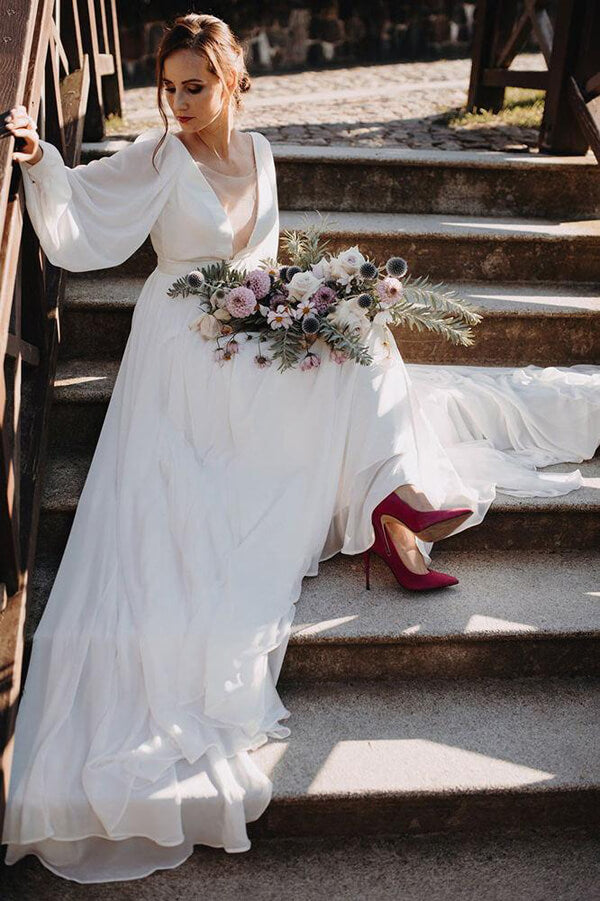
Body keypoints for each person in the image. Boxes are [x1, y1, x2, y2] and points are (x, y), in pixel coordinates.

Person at [2, 11, 599, 885]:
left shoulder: (265, 153)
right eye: (166, 88)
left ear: (232, 80)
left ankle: (394, 506)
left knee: (364, 327)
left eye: (194, 87)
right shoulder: (161, 155)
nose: (177, 104)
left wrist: (303, 304)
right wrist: (36, 157)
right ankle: (385, 507)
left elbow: (267, 254)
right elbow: (84, 210)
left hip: (257, 325)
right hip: (182, 342)